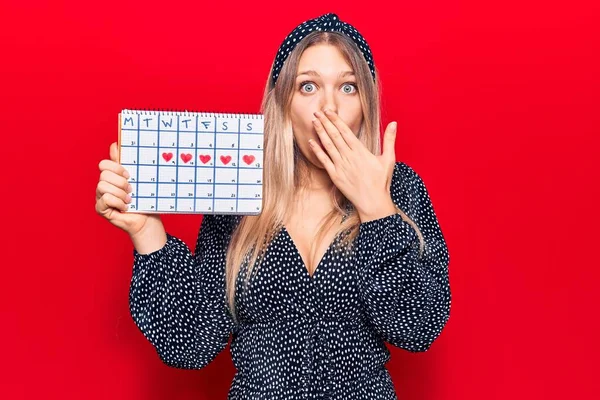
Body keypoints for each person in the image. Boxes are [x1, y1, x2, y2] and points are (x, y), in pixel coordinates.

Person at [95, 12, 451, 400]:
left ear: (366, 102)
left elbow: (419, 327)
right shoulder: (239, 189)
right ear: (283, 101)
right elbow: (192, 343)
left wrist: (376, 210)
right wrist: (146, 232)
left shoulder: (398, 188)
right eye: (308, 86)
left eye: (348, 88)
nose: (328, 109)